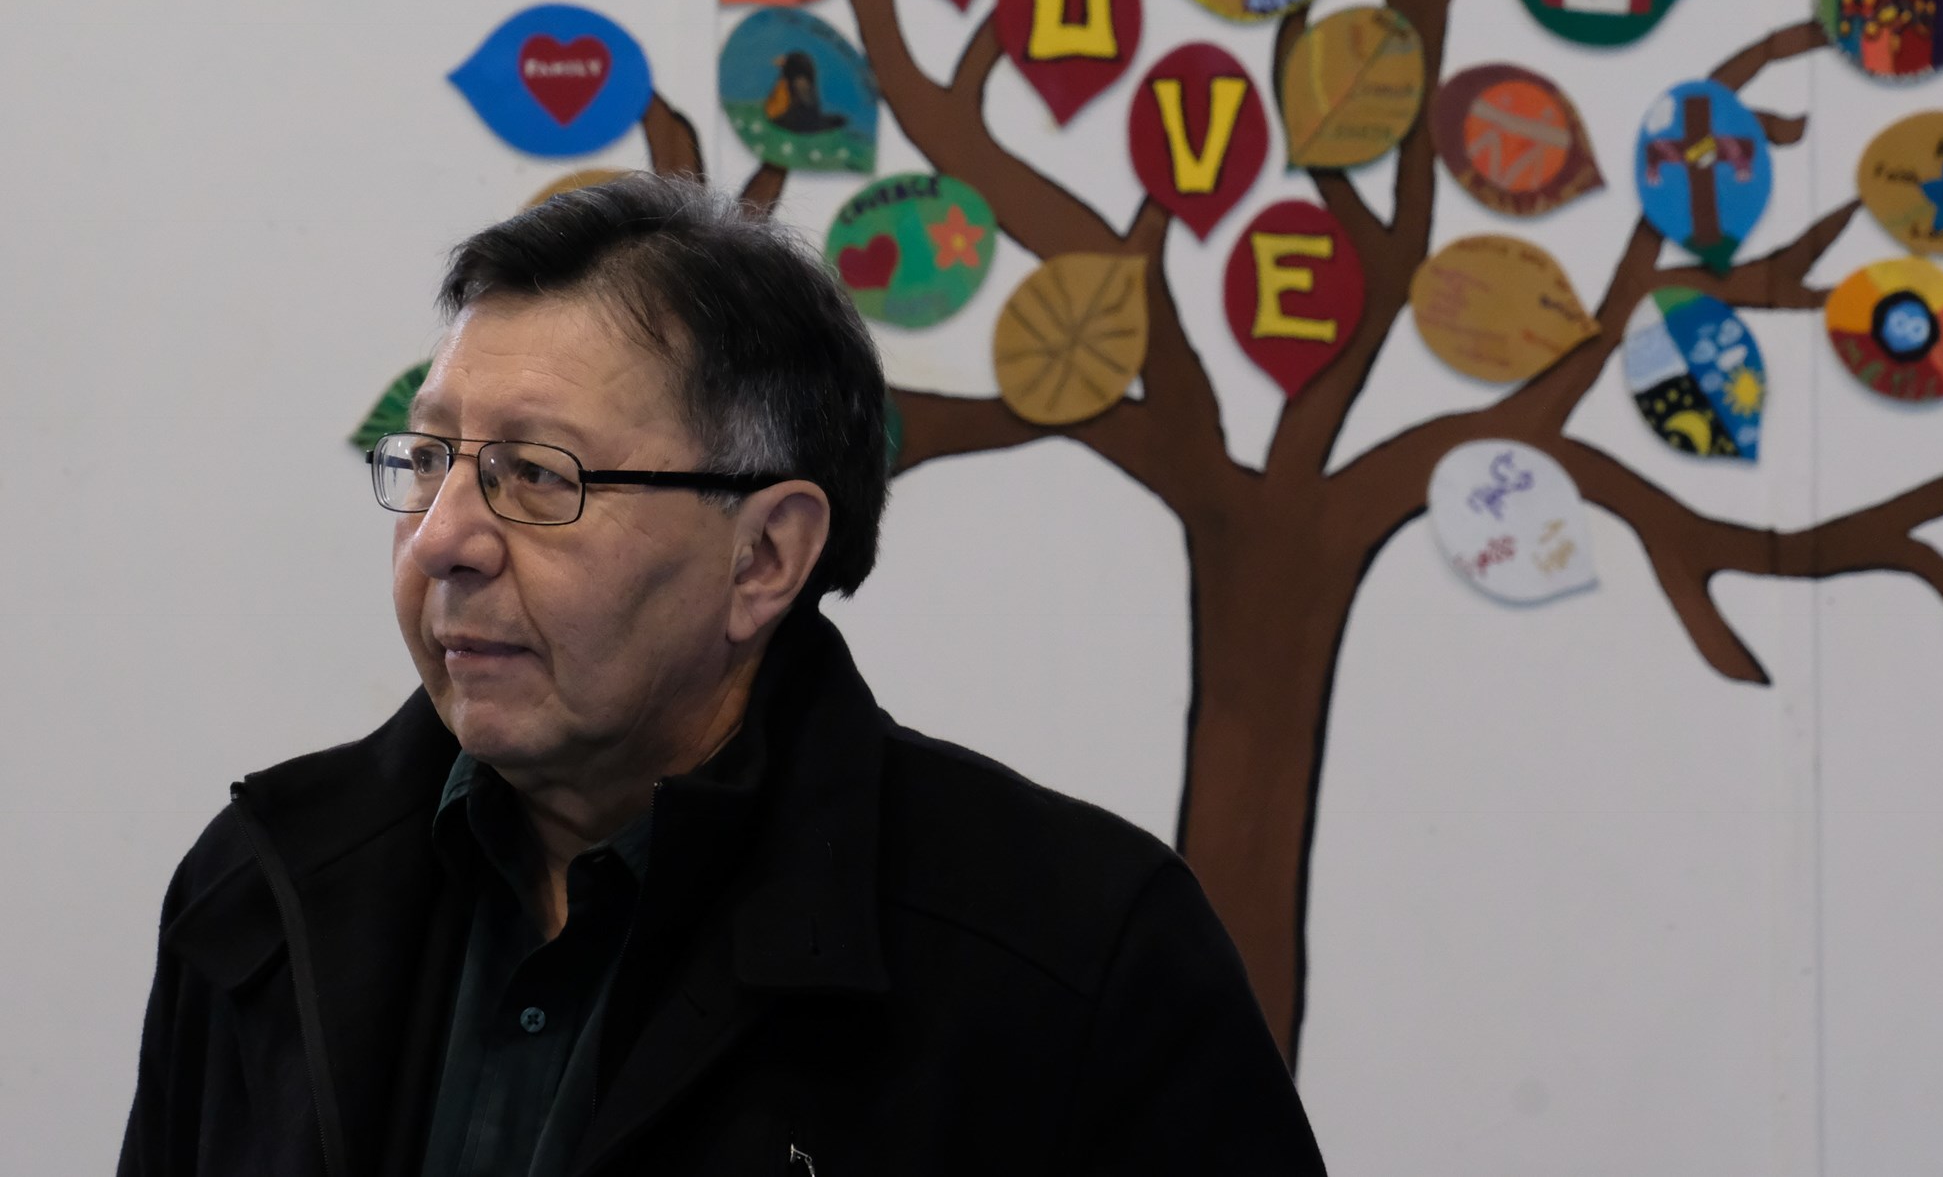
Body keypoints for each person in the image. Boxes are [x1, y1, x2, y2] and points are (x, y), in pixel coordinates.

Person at [118, 173, 1326, 1175]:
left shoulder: (1070, 953)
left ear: (764, 557)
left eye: (538, 476)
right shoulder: (260, 891)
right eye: (429, 457)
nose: (442, 536)